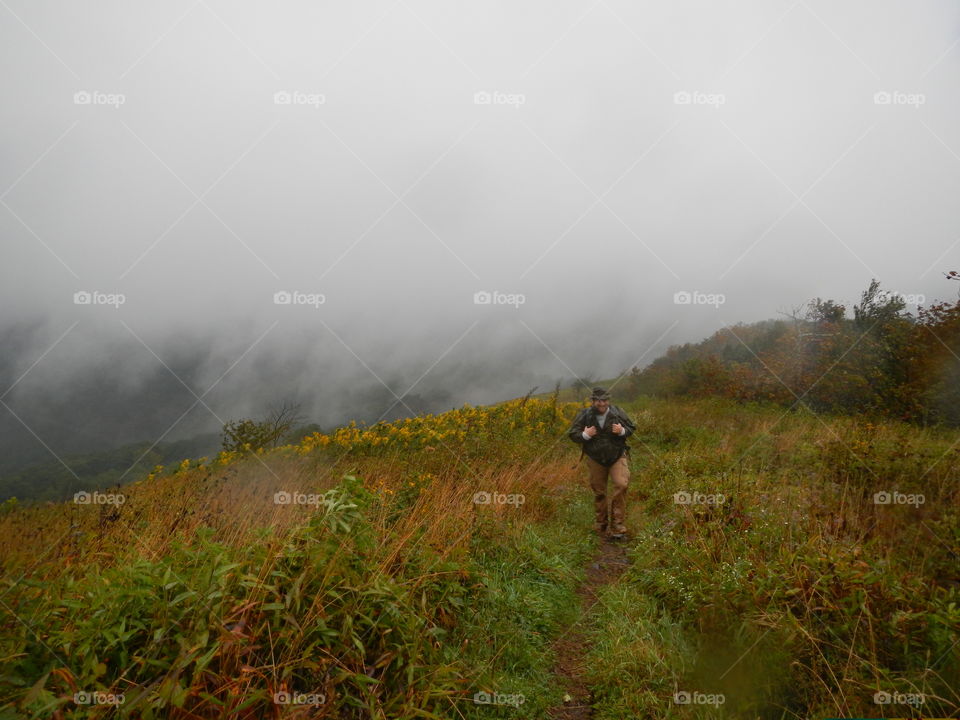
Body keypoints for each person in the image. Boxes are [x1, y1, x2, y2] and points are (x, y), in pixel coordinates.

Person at [568, 387, 636, 540]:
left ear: (608, 400)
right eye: (598, 400)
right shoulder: (585, 414)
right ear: (593, 401)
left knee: (621, 484)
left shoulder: (618, 412)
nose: (601, 403)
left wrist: (622, 431)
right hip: (595, 458)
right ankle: (601, 524)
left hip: (617, 456)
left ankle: (618, 524)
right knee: (599, 491)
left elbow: (631, 428)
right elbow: (573, 434)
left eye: (604, 400)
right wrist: (585, 435)